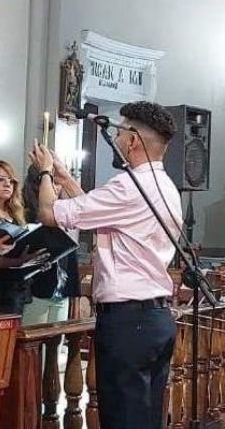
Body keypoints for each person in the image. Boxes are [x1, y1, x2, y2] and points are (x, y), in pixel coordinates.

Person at [29, 101, 181, 429]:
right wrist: (66, 177)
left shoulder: (128, 187)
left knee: (123, 420)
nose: (118, 137)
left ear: (132, 140)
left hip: (128, 321)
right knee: (145, 419)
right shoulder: (166, 187)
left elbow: (48, 213)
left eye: (122, 130)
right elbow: (92, 210)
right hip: (155, 318)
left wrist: (43, 172)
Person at [0, 160, 45, 315]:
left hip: (15, 286)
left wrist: (30, 260)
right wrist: (17, 260)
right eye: (0, 179)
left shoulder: (16, 215)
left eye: (11, 181)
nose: (7, 184)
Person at [20, 164, 81, 325]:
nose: (55, 187)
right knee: (33, 344)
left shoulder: (65, 212)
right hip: (37, 289)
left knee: (56, 341)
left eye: (57, 183)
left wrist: (75, 294)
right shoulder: (25, 213)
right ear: (36, 183)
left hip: (62, 289)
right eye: (50, 181)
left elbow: (70, 255)